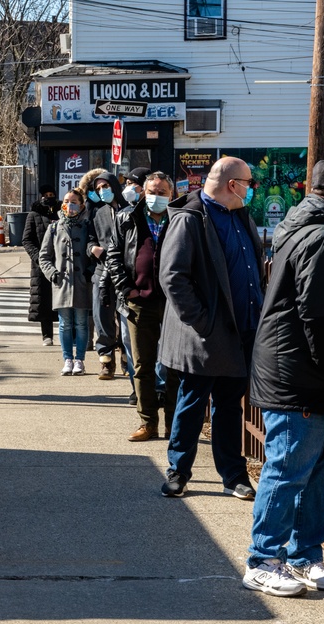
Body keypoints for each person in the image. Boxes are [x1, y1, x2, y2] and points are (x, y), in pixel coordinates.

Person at [243, 158, 324, 597]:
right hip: (301, 372)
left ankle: (304, 556)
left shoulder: (301, 228)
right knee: (289, 466)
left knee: (311, 468)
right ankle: (264, 559)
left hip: (294, 367)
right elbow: (319, 313)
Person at [157, 156, 264, 499]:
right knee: (192, 403)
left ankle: (234, 475)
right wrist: (203, 321)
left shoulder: (239, 216)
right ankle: (178, 472)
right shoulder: (191, 218)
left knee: (230, 406)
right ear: (232, 185)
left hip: (240, 331)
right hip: (205, 335)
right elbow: (173, 278)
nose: (251, 189)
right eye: (248, 183)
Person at [108, 171, 180, 441]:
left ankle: (173, 426)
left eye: (162, 193)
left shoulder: (180, 218)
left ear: (171, 195)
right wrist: (126, 289)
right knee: (142, 366)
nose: (156, 197)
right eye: (152, 191)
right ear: (143, 192)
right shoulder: (127, 217)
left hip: (174, 304)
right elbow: (114, 255)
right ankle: (147, 422)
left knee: (174, 368)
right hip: (139, 302)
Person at [39, 189, 98, 376]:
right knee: (64, 324)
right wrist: (53, 274)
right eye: (66, 201)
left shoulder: (88, 226)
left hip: (81, 282)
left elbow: (95, 254)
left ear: (81, 205)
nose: (69, 205)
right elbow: (44, 256)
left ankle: (80, 360)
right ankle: (67, 359)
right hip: (61, 282)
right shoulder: (54, 227)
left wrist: (89, 273)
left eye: (73, 202)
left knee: (81, 323)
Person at [88, 172, 128, 380]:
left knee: (125, 317)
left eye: (105, 186)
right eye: (98, 189)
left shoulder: (129, 210)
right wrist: (92, 248)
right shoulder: (98, 212)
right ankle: (106, 360)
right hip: (101, 271)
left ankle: (126, 357)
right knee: (102, 316)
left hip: (124, 272)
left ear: (114, 186)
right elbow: (90, 238)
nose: (102, 191)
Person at [24, 184, 60, 346]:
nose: (49, 197)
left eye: (51, 194)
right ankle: (47, 335)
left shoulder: (62, 212)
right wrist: (38, 257)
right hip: (41, 265)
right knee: (44, 299)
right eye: (45, 194)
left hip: (61, 263)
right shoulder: (34, 214)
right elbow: (27, 239)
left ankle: (69, 334)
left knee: (64, 299)